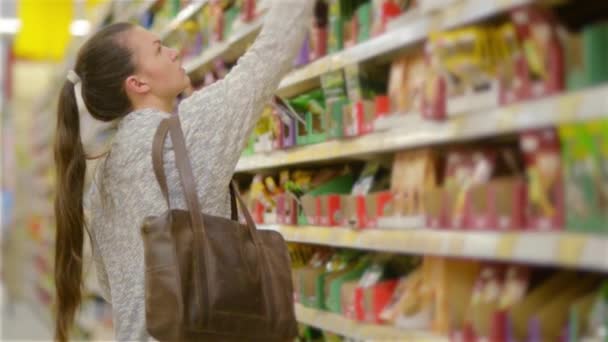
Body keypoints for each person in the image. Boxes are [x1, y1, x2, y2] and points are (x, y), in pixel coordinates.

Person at [53, 1, 314, 341]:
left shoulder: (103, 177)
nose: (174, 53)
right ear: (138, 84)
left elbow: (110, 282)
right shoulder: (188, 133)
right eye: (159, 50)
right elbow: (271, 53)